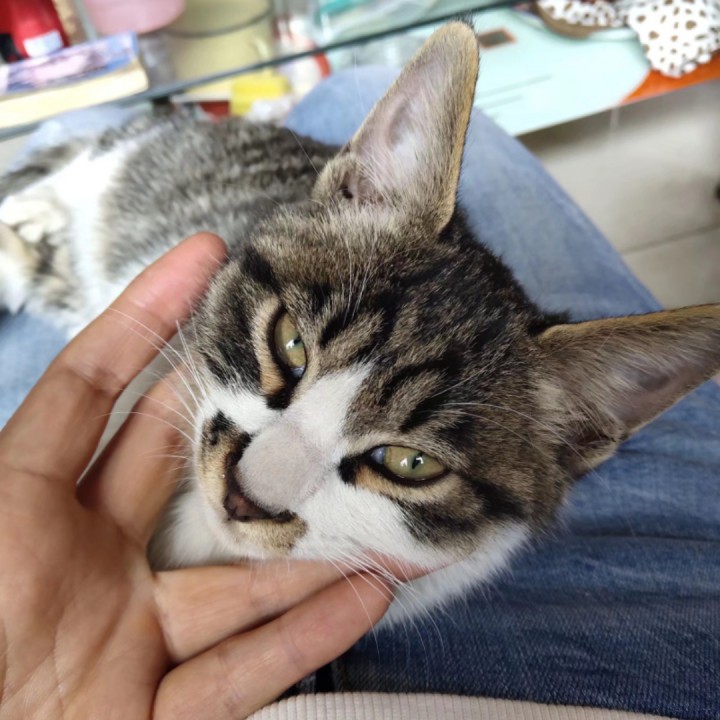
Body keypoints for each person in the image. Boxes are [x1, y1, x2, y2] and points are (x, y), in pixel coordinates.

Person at [0, 67, 718, 720]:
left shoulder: (519, 440)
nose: (252, 487)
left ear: (575, 431)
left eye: (408, 461)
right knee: (85, 140)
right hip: (170, 186)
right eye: (288, 348)